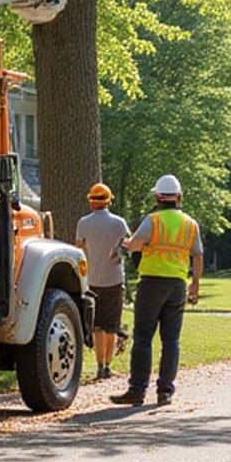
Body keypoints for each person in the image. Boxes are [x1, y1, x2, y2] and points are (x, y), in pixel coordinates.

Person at [110, 174, 203, 407]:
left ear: (157, 197)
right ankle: (165, 392)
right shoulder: (190, 224)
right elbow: (198, 255)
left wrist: (126, 244)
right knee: (171, 340)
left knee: (143, 338)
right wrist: (195, 285)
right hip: (178, 284)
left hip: (152, 282)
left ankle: (137, 390)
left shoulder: (153, 220)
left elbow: (135, 245)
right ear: (179, 197)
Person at [74, 182, 130, 380]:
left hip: (93, 280)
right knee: (111, 326)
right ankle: (107, 366)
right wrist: (116, 254)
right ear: (108, 201)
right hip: (114, 279)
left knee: (97, 326)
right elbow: (128, 245)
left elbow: (78, 247)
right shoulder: (119, 223)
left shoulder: (83, 223)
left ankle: (99, 366)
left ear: (91, 202)